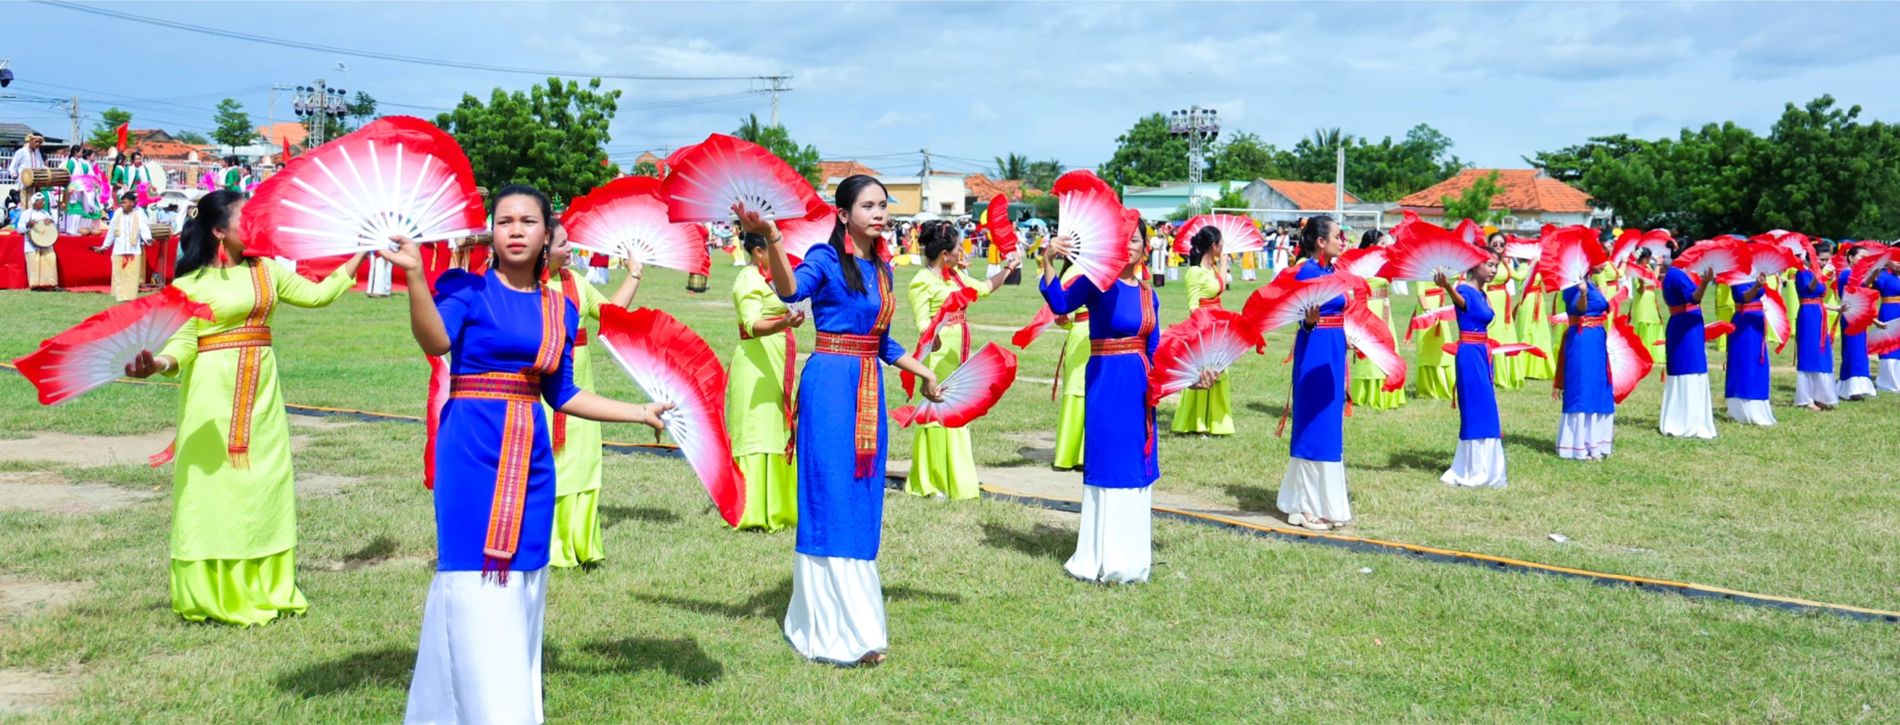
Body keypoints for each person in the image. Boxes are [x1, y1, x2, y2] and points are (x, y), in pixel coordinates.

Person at [384, 185, 669, 722]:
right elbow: (435, 342)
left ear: (547, 236)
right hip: (470, 446)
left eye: (527, 221)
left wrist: (638, 412)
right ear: (491, 232)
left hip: (532, 456)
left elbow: (562, 393)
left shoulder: (559, 306)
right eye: (505, 221)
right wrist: (416, 277)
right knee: (471, 579)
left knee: (522, 580)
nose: (515, 229)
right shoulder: (465, 289)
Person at [121, 190, 367, 625]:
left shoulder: (266, 271)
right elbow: (182, 345)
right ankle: (211, 592)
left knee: (265, 483)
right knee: (212, 491)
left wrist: (362, 251)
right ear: (218, 231)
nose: (254, 223)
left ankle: (268, 586)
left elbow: (318, 296)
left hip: (263, 399)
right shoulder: (188, 285)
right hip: (211, 401)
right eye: (244, 217)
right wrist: (156, 364)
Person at [748, 175, 943, 667]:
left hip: (868, 388)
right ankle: (832, 633)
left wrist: (922, 371)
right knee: (831, 495)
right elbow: (790, 291)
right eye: (869, 205)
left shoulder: (882, 268)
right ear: (843, 214)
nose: (880, 213)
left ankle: (856, 625)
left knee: (861, 496)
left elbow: (882, 340)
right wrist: (772, 237)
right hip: (831, 387)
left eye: (884, 205)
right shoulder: (824, 257)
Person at [1039, 212, 1168, 581]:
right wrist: (1049, 260)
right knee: (1109, 463)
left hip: (1140, 388)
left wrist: (1172, 382)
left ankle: (1132, 560)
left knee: (1135, 467)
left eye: (1136, 240)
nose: (1129, 246)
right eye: (1123, 239)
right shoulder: (1096, 282)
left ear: (1145, 248)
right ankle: (1101, 558)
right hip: (1106, 384)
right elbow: (1060, 303)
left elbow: (1155, 346)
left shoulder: (1148, 294)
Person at [542, 234, 643, 568]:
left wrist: (634, 274)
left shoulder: (576, 282)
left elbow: (612, 314)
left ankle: (579, 545)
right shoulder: (525, 287)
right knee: (551, 465)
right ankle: (550, 546)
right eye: (562, 244)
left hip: (578, 390)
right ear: (543, 248)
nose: (571, 249)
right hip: (542, 393)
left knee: (582, 461)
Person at [906, 220, 1017, 500]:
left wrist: (1009, 268)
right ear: (945, 254)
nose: (962, 253)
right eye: (958, 249)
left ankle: (957, 482)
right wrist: (932, 334)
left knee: (956, 413)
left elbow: (982, 288)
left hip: (960, 355)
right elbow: (921, 321)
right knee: (937, 415)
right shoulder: (922, 281)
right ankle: (930, 481)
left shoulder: (955, 277)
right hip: (939, 356)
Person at [1279, 215, 1354, 529]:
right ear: (1321, 241)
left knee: (1330, 426)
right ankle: (1307, 505)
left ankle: (1315, 502)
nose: (1343, 241)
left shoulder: (1330, 271)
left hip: (1334, 348)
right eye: (1338, 236)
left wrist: (1345, 335)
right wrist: (1309, 322)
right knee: (1314, 424)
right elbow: (1300, 315)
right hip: (1314, 347)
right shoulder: (1305, 272)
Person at [728, 231, 805, 531]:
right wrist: (783, 322)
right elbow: (751, 324)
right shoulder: (748, 278)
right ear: (759, 252)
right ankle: (753, 508)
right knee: (756, 428)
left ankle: (780, 505)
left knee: (777, 426)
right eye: (773, 248)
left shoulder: (770, 277)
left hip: (777, 355)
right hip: (755, 362)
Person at [1436, 254, 1506, 488]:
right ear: (1475, 266)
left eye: (1496, 265)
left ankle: (1484, 467)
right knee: (1477, 409)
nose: (1494, 269)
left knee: (1487, 408)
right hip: (1469, 353)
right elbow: (1460, 303)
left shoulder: (1483, 294)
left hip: (1482, 353)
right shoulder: (1464, 290)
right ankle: (1474, 470)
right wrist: (1447, 286)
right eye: (1489, 265)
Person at [1173, 225, 1236, 435]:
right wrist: (1203, 327)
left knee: (1220, 370)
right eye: (1221, 243)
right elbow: (1193, 305)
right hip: (1205, 326)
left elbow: (1220, 288)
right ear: (1213, 245)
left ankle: (1218, 423)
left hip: (1219, 325)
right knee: (1202, 372)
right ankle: (1197, 422)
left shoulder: (1214, 269)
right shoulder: (1195, 272)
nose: (1223, 247)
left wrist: (1225, 262)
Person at [1658, 240, 1718, 438]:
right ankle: (1686, 421)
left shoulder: (1676, 273)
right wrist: (1704, 282)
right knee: (1688, 368)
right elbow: (1693, 298)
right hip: (1685, 325)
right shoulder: (1676, 274)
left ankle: (1689, 418)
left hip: (1687, 324)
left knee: (1692, 367)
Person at [1556, 264, 1616, 460]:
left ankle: (1596, 443)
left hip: (1596, 339)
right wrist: (1582, 293)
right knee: (1583, 386)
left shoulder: (1591, 283)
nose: (1604, 264)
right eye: (1599, 260)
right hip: (1582, 339)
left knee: (1598, 385)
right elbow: (1577, 309)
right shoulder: (1572, 283)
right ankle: (1578, 445)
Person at [1349, 231, 1406, 410]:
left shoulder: (1384, 261)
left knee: (1387, 346)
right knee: (1367, 347)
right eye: (1381, 243)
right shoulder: (1359, 263)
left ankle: (1386, 389)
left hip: (1383, 309)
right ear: (1372, 244)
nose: (1384, 246)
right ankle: (1365, 392)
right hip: (1367, 309)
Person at [1724, 273, 1778, 425]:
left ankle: (1758, 405)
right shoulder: (1736, 273)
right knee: (1744, 362)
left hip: (1756, 322)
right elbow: (1743, 297)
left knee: (1757, 362)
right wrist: (1757, 286)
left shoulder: (1755, 271)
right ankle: (1743, 409)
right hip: (1744, 322)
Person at [1792, 241, 1838, 410]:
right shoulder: (1802, 272)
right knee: (1809, 352)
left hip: (1819, 313)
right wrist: (1819, 275)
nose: (1824, 262)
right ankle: (1806, 398)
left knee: (1822, 353)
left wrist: (1836, 308)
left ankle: (1821, 395)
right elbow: (1807, 292)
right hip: (1807, 315)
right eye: (1821, 259)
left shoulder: (1816, 273)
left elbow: (1819, 299)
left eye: (1826, 260)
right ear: (1811, 257)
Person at [1484, 233, 1530, 389]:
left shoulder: (1505, 262)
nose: (1498, 246)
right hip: (1490, 300)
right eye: (1495, 243)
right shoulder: (1485, 261)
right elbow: (1481, 283)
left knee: (1507, 335)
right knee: (1493, 334)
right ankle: (1494, 374)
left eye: (1501, 244)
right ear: (1489, 244)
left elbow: (1518, 276)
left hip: (1505, 303)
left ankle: (1509, 374)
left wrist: (1533, 265)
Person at [1836, 244, 1878, 400]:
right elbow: (1857, 288)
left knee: (1861, 350)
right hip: (1850, 315)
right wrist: (1871, 278)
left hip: (1860, 315)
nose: (1864, 260)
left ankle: (1860, 385)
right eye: (1862, 257)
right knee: (1852, 350)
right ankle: (1850, 387)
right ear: (1851, 258)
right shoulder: (1846, 273)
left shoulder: (1859, 275)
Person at [96, 192, 152, 302]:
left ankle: (131, 297)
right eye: (121, 203)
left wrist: (148, 238)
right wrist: (105, 246)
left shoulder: (139, 213)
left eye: (125, 202)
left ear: (132, 203)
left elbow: (144, 228)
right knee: (119, 275)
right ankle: (120, 296)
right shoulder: (117, 213)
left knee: (132, 276)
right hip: (119, 249)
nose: (122, 205)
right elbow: (112, 231)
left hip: (134, 250)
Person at [19, 194, 58, 290]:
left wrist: (51, 221)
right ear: (35, 203)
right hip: (31, 244)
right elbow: (20, 229)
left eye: (44, 201)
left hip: (46, 242)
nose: (44, 203)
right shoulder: (26, 214)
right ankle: (35, 286)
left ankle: (52, 285)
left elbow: (53, 227)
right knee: (34, 263)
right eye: (41, 201)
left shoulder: (45, 213)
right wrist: (29, 224)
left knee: (50, 260)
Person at [1876, 254, 1900, 393]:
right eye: (1896, 260)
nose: (1899, 263)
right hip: (1889, 312)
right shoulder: (1883, 276)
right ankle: (1888, 382)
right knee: (1889, 346)